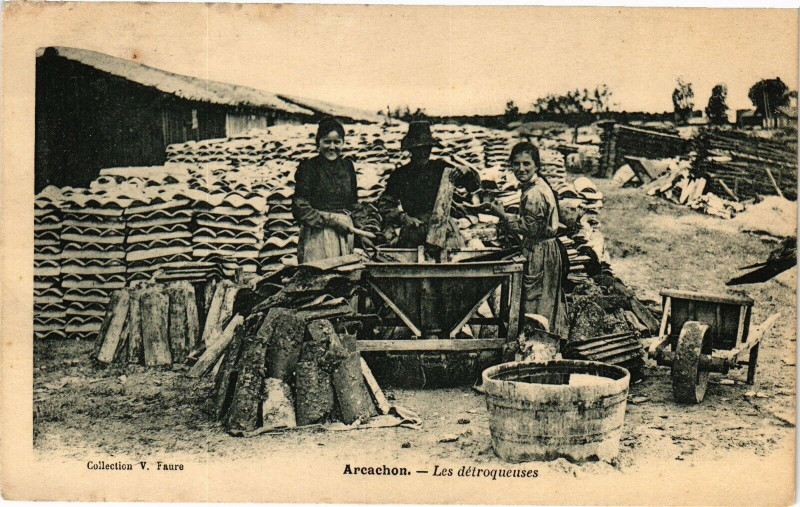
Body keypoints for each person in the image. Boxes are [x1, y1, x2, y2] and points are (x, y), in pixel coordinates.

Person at [485, 141, 568, 337]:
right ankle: (543, 342)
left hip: (539, 251)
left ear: (536, 166)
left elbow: (530, 228)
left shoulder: (535, 193)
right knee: (543, 301)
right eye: (516, 164)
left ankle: (537, 345)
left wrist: (502, 215)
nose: (521, 169)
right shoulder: (534, 186)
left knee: (535, 300)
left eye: (526, 164)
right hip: (541, 249)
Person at [377, 121, 480, 248]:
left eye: (427, 148)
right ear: (411, 149)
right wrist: (403, 218)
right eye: (418, 149)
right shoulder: (399, 175)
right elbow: (385, 205)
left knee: (452, 257)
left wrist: (467, 171)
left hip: (443, 226)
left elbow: (473, 186)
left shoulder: (441, 168)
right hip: (414, 228)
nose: (423, 153)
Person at [292, 117, 374, 263]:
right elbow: (300, 207)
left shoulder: (347, 167)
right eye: (327, 141)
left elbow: (354, 204)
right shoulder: (308, 168)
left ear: (343, 143)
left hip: (344, 235)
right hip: (317, 235)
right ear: (318, 143)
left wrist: (363, 234)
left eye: (337, 142)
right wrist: (331, 221)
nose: (332, 147)